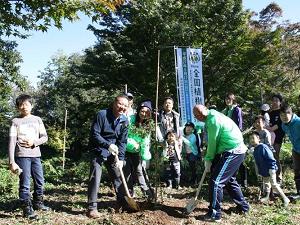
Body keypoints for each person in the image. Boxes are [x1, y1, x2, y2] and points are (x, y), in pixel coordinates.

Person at [193, 104, 249, 222]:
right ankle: (244, 207)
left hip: (233, 150)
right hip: (232, 149)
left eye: (200, 114)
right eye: (197, 115)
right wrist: (211, 158)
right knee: (229, 181)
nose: (200, 117)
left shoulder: (213, 120)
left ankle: (215, 214)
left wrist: (208, 159)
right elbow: (215, 142)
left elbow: (213, 142)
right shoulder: (212, 115)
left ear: (205, 111)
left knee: (216, 182)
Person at [86, 94, 129, 218]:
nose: (122, 107)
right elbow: (95, 134)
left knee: (117, 175)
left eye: (125, 106)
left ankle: (122, 203)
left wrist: (120, 158)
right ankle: (91, 208)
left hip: (113, 151)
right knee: (95, 178)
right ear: (114, 103)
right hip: (98, 149)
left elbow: (122, 141)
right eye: (120, 104)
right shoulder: (102, 114)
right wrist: (107, 144)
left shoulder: (124, 121)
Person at [8, 94, 49, 220]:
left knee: (40, 181)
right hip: (22, 156)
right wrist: (11, 161)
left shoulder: (37, 120)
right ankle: (27, 209)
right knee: (25, 184)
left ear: (31, 105)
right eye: (20, 105)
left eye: (26, 104)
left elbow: (45, 137)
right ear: (17, 107)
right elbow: (11, 141)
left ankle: (38, 203)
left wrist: (34, 142)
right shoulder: (15, 121)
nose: (23, 107)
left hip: (36, 155)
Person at [249, 131, 290, 207]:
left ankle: (285, 198)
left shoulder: (263, 147)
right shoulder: (255, 150)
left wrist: (272, 169)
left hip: (270, 169)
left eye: (253, 138)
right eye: (250, 138)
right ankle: (267, 197)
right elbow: (257, 163)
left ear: (258, 139)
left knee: (274, 184)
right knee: (266, 183)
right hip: (264, 170)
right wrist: (258, 171)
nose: (251, 140)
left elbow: (271, 158)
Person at [124, 100, 154, 200]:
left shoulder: (148, 124)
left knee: (139, 171)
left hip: (137, 152)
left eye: (147, 112)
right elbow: (124, 135)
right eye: (142, 111)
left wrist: (145, 153)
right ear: (139, 110)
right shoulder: (130, 119)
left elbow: (146, 140)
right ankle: (129, 193)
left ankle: (147, 193)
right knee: (127, 171)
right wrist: (132, 144)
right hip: (125, 150)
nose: (144, 114)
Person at [222, 93, 247, 187]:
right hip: (227, 137)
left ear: (233, 100)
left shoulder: (236, 109)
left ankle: (244, 182)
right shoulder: (225, 111)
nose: (227, 101)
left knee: (240, 159)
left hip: (236, 137)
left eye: (229, 99)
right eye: (226, 99)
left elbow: (239, 124)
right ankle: (232, 180)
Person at [280, 104, 300, 199]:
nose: (284, 117)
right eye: (281, 115)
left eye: (286, 115)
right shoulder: (284, 125)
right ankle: (299, 192)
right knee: (297, 171)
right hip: (296, 150)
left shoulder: (298, 122)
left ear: (291, 114)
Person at [266, 93, 285, 184]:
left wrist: (266, 128)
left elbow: (275, 127)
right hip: (268, 137)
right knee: (269, 156)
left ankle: (279, 177)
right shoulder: (270, 112)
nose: (274, 102)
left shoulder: (282, 112)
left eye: (276, 100)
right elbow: (267, 123)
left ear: (280, 102)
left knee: (275, 156)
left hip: (278, 138)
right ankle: (271, 177)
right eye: (273, 100)